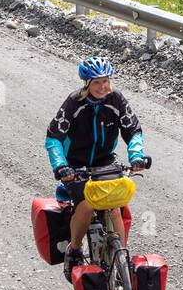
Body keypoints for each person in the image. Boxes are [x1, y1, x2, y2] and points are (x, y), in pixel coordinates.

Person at [45, 55, 147, 275]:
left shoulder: (116, 100)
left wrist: (136, 156)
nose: (103, 87)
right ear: (87, 84)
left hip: (105, 162)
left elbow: (133, 130)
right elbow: (54, 138)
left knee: (115, 207)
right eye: (97, 82)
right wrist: (61, 166)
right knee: (87, 204)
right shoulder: (74, 103)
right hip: (76, 166)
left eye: (106, 81)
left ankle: (122, 258)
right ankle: (73, 250)